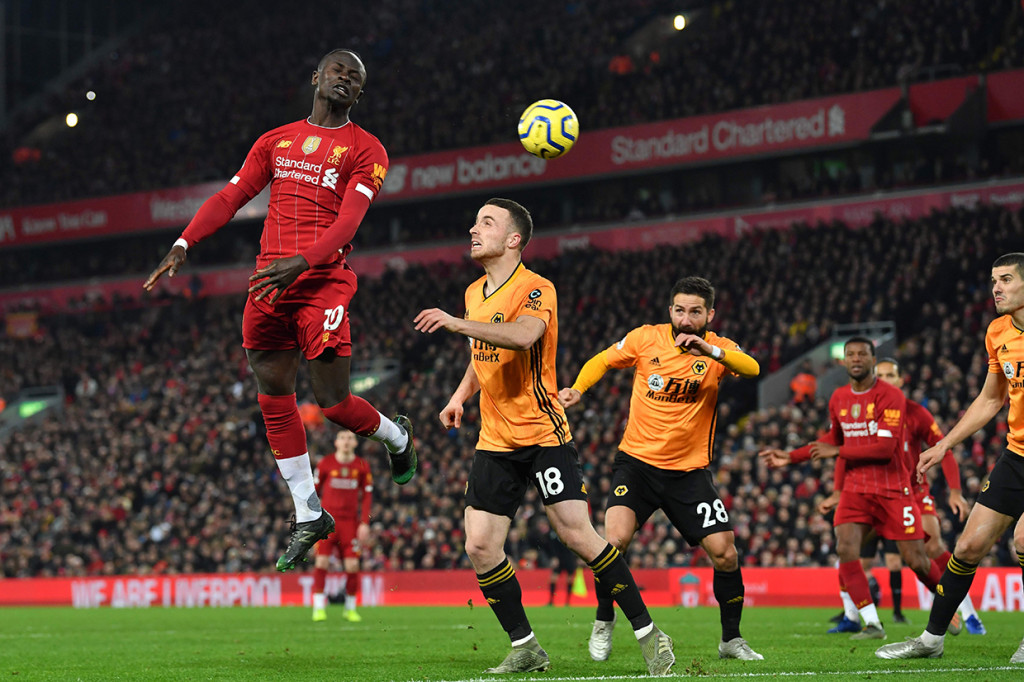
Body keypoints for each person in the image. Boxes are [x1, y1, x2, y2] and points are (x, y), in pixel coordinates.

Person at [143, 49, 417, 573]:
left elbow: (350, 223)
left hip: (322, 283)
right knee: (274, 394)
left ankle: (396, 436)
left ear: (359, 94)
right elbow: (231, 196)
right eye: (337, 70)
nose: (345, 78)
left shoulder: (367, 150)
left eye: (354, 77)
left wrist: (305, 261)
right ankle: (307, 510)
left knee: (334, 404)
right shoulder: (276, 140)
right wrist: (184, 241)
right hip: (268, 282)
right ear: (316, 77)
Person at [413, 198, 675, 675]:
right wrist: (458, 397)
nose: (473, 230)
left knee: (577, 535)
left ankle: (649, 633)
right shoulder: (475, 292)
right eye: (474, 222)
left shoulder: (537, 288)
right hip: (494, 439)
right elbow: (483, 351)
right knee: (479, 545)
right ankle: (526, 646)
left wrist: (454, 322)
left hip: (542, 433)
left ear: (513, 239)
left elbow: (522, 336)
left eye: (486, 223)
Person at [559, 275, 765, 662]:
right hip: (636, 465)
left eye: (696, 312)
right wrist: (578, 389)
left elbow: (752, 367)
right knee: (613, 543)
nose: (687, 319)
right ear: (671, 310)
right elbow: (602, 359)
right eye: (681, 310)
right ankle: (604, 620)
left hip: (689, 473)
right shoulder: (645, 338)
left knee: (725, 553)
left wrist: (711, 352)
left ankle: (731, 640)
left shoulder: (717, 349)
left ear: (709, 314)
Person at [877, 253, 1024, 662]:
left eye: (1007, 279)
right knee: (967, 546)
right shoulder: (998, 331)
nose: (996, 287)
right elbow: (992, 398)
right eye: (994, 280)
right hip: (1017, 456)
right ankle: (931, 640)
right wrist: (945, 444)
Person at [760, 337, 955, 641]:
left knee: (917, 559)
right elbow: (832, 438)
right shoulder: (838, 397)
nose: (855, 359)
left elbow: (884, 448)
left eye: (862, 354)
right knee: (845, 549)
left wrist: (838, 452)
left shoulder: (891, 396)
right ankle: (872, 623)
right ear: (844, 361)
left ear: (872, 359)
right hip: (855, 490)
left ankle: (949, 606)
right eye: (850, 354)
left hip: (892, 489)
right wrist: (791, 457)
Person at [828, 358, 982, 633]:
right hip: (870, 495)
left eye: (891, 374)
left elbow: (942, 448)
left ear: (901, 380)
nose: (885, 379)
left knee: (930, 549)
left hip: (911, 492)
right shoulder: (860, 412)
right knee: (849, 554)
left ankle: (965, 612)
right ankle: (853, 617)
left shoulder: (916, 413)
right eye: (881, 375)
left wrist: (955, 491)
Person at [311, 430, 372, 623]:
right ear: (336, 442)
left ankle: (350, 608)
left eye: (350, 438)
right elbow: (314, 493)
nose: (346, 441)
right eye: (342, 438)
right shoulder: (325, 464)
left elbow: (367, 496)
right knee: (321, 562)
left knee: (353, 565)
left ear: (355, 443)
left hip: (350, 524)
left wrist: (364, 522)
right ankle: (319, 607)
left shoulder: (362, 465)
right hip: (327, 523)